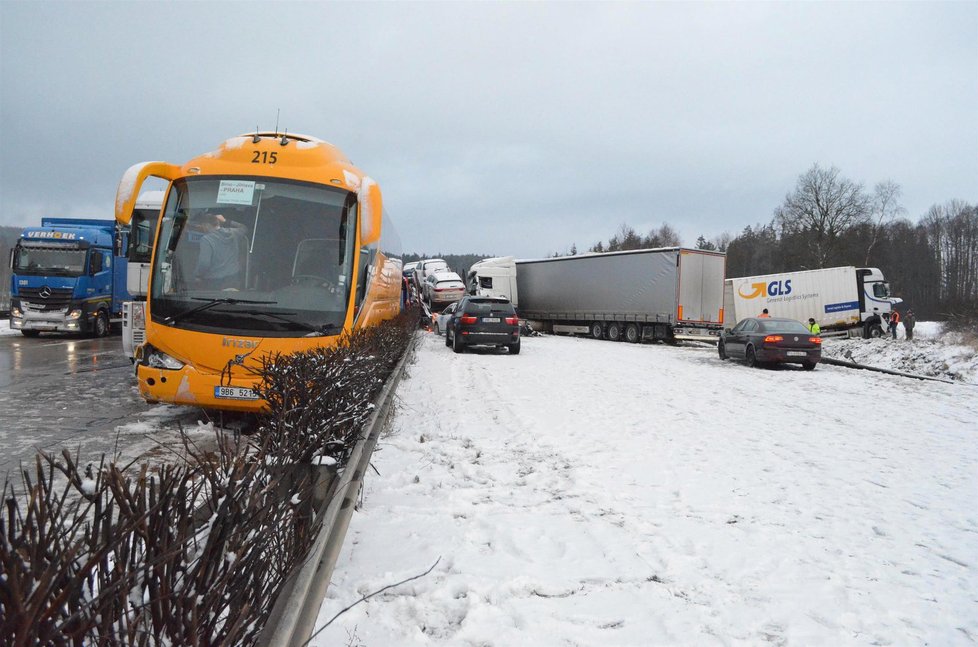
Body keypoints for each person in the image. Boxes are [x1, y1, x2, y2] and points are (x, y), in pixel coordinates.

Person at [195, 213, 248, 290]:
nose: (203, 228)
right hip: (233, 278)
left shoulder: (206, 239)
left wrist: (198, 275)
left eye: (202, 226)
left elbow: (204, 263)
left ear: (206, 225)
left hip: (214, 282)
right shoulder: (233, 233)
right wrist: (226, 221)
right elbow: (244, 228)